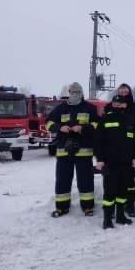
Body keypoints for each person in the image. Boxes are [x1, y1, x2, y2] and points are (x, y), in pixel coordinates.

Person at [46, 82, 99, 217]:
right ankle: (62, 207)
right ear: (68, 93)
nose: (74, 94)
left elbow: (97, 124)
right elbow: (48, 123)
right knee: (62, 180)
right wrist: (59, 128)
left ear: (81, 93)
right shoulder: (60, 108)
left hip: (84, 151)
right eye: (72, 92)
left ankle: (88, 207)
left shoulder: (90, 108)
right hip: (64, 151)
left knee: (85, 180)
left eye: (77, 92)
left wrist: (83, 128)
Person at [95, 95, 135, 229]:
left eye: (121, 104)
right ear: (112, 104)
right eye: (115, 103)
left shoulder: (130, 120)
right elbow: (98, 142)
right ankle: (107, 219)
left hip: (126, 163)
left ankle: (120, 216)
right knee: (109, 191)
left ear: (125, 105)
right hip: (110, 163)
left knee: (123, 191)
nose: (118, 106)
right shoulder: (105, 119)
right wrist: (100, 159)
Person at [111, 83, 135, 218]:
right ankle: (113, 207)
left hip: (130, 149)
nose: (123, 92)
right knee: (113, 181)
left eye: (126, 91)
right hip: (113, 151)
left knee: (129, 180)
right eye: (121, 91)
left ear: (129, 92)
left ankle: (130, 206)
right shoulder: (109, 106)